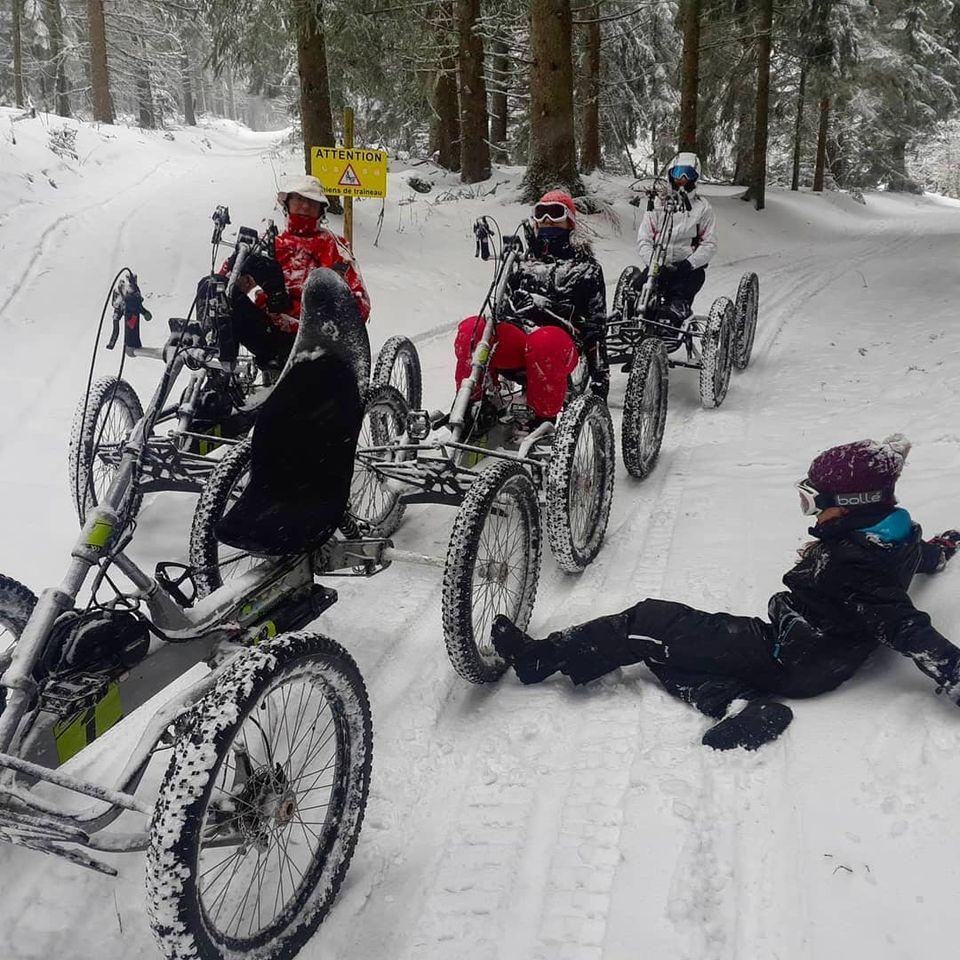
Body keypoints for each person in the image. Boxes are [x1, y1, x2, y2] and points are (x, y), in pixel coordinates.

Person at [491, 433, 960, 751]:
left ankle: (540, 659)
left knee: (650, 624)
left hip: (790, 655)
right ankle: (735, 704)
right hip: (810, 650)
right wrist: (938, 551)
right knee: (667, 651)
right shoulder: (894, 535)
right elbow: (911, 561)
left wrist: (955, 673)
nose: (810, 513)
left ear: (853, 507)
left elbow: (904, 625)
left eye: (815, 503)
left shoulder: (851, 562)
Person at [454, 189, 609, 424]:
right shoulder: (520, 263)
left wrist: (599, 378)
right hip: (520, 333)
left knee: (544, 341)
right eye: (541, 213)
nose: (547, 220)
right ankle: (475, 406)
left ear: (570, 221)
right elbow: (501, 310)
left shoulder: (586, 269)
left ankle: (539, 419)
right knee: (471, 329)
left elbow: (596, 327)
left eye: (555, 213)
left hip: (560, 342)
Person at [222, 174, 371, 369]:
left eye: (312, 202)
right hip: (270, 333)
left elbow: (359, 304)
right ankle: (220, 362)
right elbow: (228, 282)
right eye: (299, 199)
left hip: (317, 339)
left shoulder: (334, 247)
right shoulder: (270, 245)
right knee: (215, 290)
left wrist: (314, 309)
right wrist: (242, 274)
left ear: (321, 210)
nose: (305, 206)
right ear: (287, 204)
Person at [631, 151, 718, 327]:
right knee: (636, 291)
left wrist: (689, 264)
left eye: (688, 174)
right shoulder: (657, 204)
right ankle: (632, 320)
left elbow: (709, 243)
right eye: (678, 173)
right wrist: (654, 263)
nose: (682, 179)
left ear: (695, 177)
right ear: (671, 174)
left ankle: (677, 310)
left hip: (687, 269)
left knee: (679, 294)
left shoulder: (702, 208)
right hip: (658, 265)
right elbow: (644, 239)